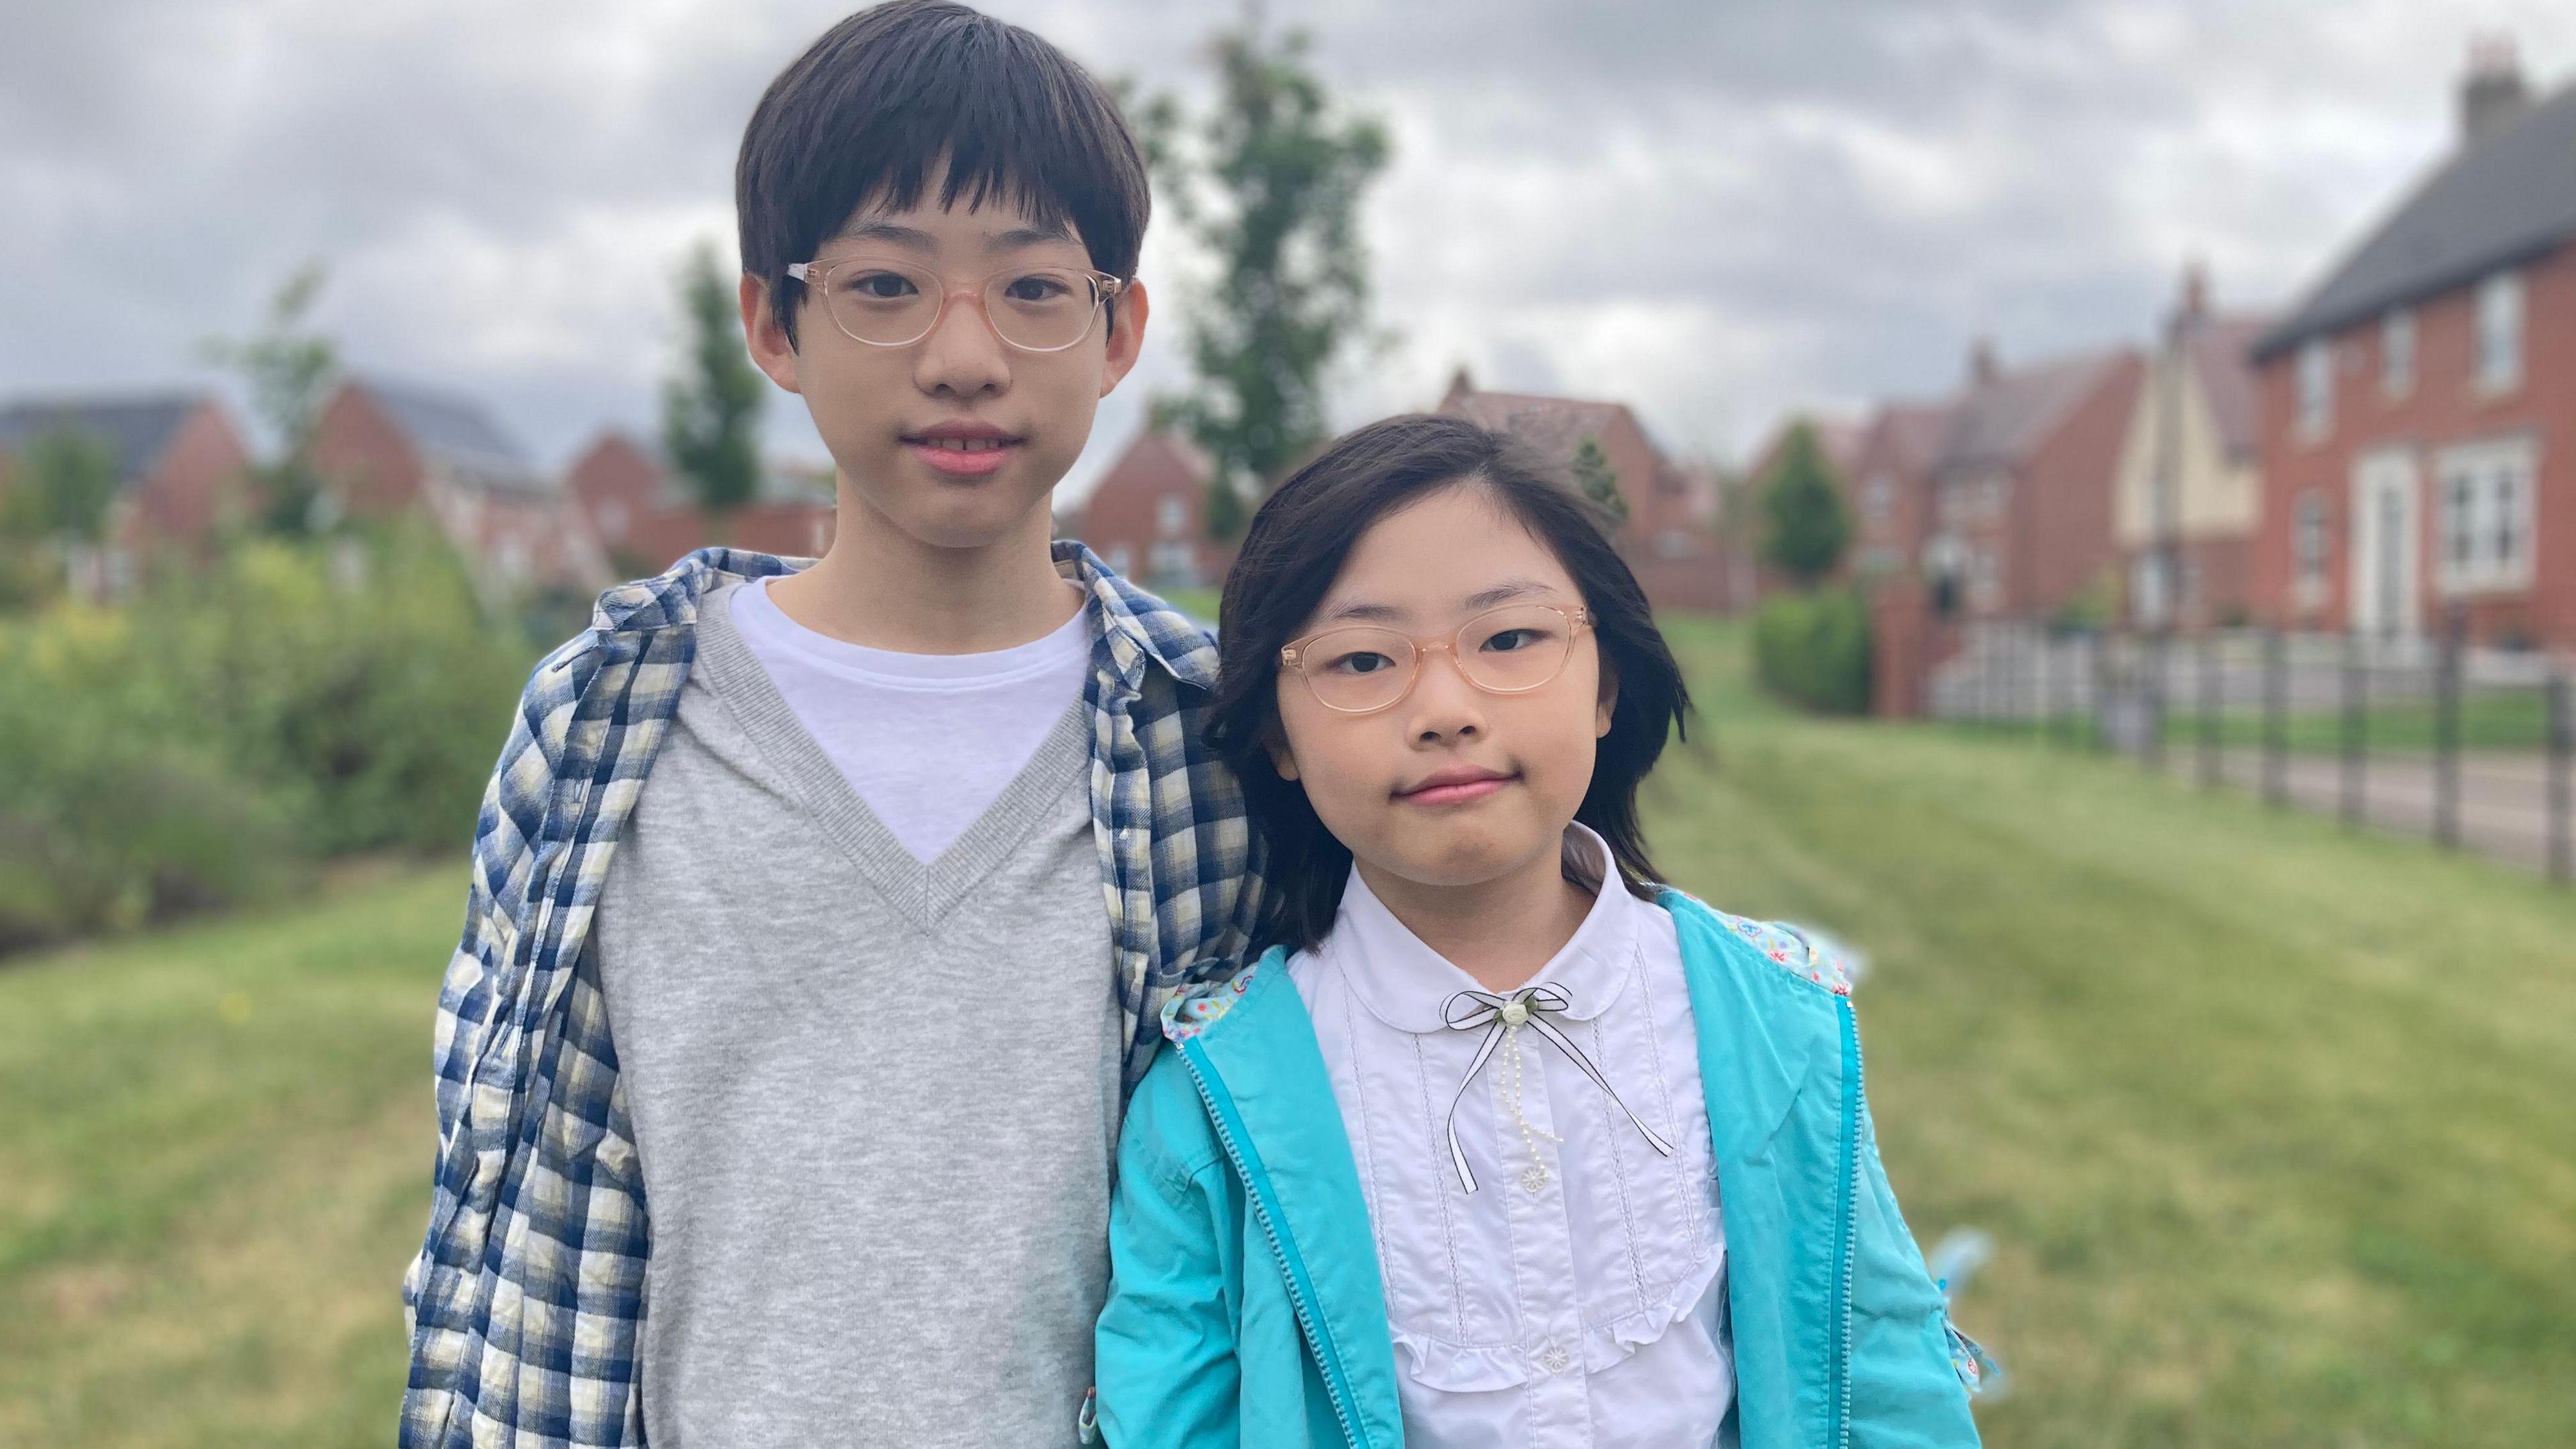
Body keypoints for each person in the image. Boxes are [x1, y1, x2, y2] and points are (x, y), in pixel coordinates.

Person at [398, 5, 1260, 1445]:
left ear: (1118, 333)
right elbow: (510, 1194)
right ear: (771, 324)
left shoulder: (1213, 744)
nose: (965, 355)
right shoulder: (606, 723)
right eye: (885, 285)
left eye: (1034, 289)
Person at [1094, 414, 1985, 1448]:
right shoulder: (1208, 1104)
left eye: (1510, 639)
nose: (1443, 707)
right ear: (1275, 736)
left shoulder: (1779, 1024)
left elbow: (1886, 1381)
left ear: (1605, 682)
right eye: (1361, 659)